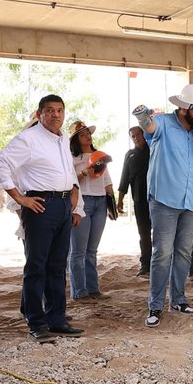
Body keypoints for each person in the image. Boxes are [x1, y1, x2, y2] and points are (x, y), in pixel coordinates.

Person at [0, 94, 85, 342]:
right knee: (37, 266)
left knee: (57, 266)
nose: (55, 115)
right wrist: (20, 198)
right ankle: (36, 321)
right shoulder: (29, 138)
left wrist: (74, 192)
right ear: (39, 114)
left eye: (60, 110)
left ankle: (56, 319)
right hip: (41, 205)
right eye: (49, 110)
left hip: (63, 205)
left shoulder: (62, 139)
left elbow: (67, 172)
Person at [133, 82, 193, 327]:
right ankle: (155, 305)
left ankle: (178, 299)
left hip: (191, 200)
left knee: (184, 253)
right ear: (183, 108)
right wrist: (142, 115)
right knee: (162, 253)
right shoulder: (164, 123)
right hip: (164, 200)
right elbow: (148, 126)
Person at [69, 122, 118, 301]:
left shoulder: (100, 156)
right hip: (81, 202)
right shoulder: (71, 158)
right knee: (78, 250)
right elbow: (69, 181)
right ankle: (79, 291)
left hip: (100, 201)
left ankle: (92, 288)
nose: (87, 137)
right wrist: (84, 173)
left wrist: (112, 204)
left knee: (92, 249)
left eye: (88, 133)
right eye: (82, 135)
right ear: (75, 139)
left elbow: (107, 180)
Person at [117, 125, 151, 275]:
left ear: (144, 134)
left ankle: (162, 263)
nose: (136, 138)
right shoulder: (129, 155)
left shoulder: (154, 150)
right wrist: (120, 200)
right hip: (139, 200)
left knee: (162, 233)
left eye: (138, 134)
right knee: (143, 233)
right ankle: (146, 264)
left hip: (158, 199)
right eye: (133, 136)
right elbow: (124, 178)